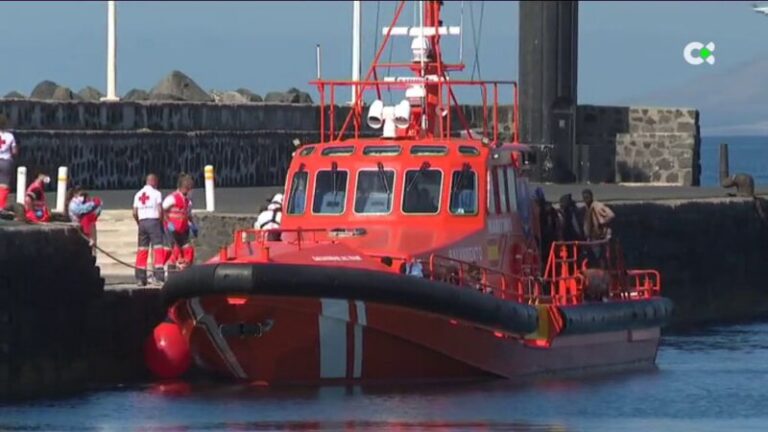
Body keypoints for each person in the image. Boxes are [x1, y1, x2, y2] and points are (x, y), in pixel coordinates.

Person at [133, 173, 165, 287]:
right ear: (154, 182)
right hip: (154, 222)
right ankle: (159, 278)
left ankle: (140, 279)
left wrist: (139, 223)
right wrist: (161, 223)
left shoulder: (138, 194)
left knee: (142, 250)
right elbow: (160, 210)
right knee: (157, 250)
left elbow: (134, 212)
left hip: (142, 222)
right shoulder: (157, 193)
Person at [163, 173, 197, 271]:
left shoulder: (188, 202)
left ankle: (185, 269)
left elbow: (188, 215)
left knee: (188, 250)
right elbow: (162, 210)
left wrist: (193, 225)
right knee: (174, 251)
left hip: (182, 230)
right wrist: (168, 223)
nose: (192, 192)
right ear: (186, 188)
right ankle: (167, 271)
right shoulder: (172, 198)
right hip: (171, 230)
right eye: (191, 189)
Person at [0, 114, 18, 210]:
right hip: (6, 161)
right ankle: (1, 206)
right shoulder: (10, 136)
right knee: (4, 185)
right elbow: (14, 151)